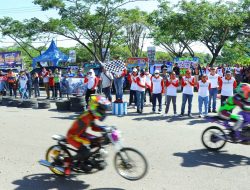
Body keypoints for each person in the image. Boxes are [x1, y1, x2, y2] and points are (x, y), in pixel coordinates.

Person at [66, 95, 110, 171]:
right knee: (85, 151)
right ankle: (68, 162)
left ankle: (88, 160)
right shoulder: (85, 118)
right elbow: (76, 135)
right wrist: (90, 141)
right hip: (73, 136)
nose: (103, 112)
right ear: (94, 108)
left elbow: (93, 127)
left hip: (80, 133)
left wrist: (104, 129)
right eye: (102, 110)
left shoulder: (91, 115)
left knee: (97, 142)